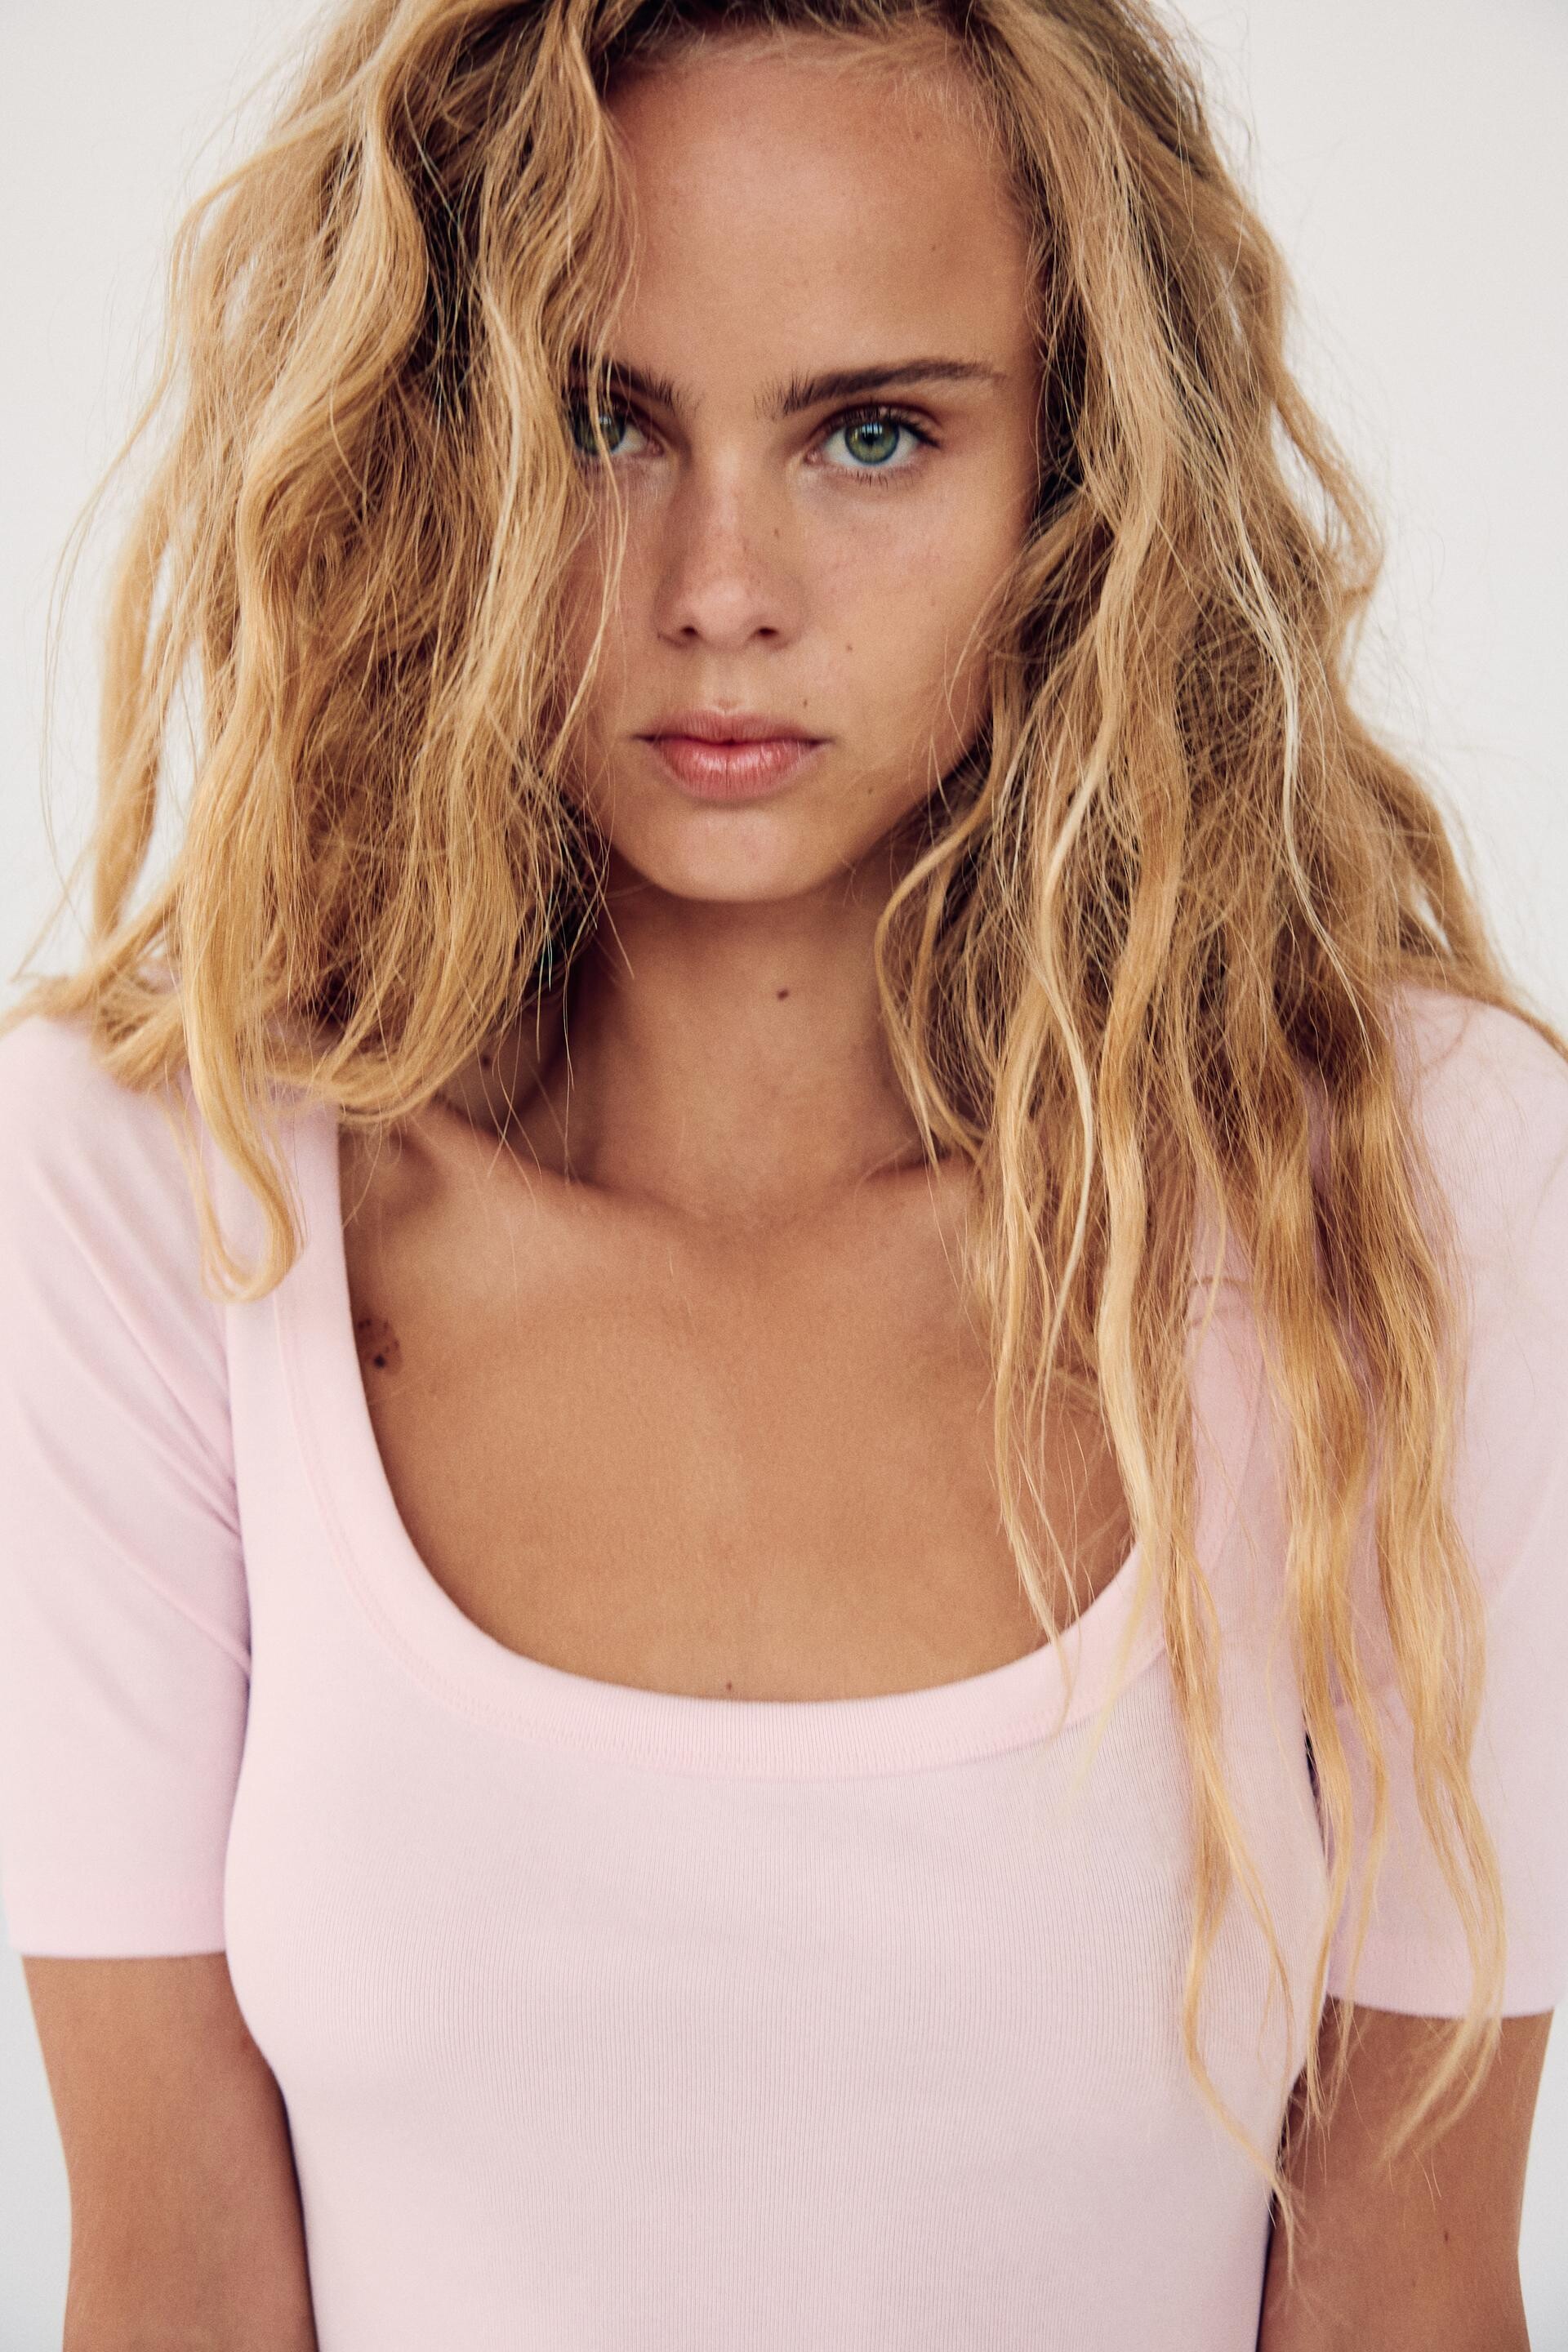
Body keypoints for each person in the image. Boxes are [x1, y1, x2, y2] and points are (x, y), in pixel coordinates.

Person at [0, 0, 1563, 2345]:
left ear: (1077, 477)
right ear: (431, 453)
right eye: (600, 422)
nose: (720, 587)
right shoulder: (163, 1183)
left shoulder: (1410, 1186)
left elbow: (1408, 2293)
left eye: (871, 434)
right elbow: (179, 2287)